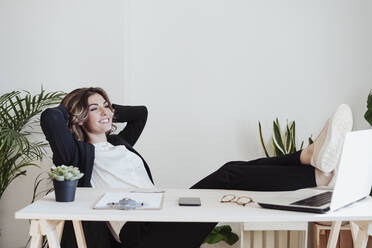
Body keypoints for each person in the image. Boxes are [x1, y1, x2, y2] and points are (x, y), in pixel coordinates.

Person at [40, 87, 353, 248]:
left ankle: (309, 157)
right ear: (80, 117)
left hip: (164, 212)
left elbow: (140, 114)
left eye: (108, 106)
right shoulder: (78, 155)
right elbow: (50, 119)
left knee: (232, 171)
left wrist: (105, 107)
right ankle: (316, 172)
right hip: (140, 234)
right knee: (228, 176)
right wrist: (81, 107)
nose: (107, 112)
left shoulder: (120, 143)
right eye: (95, 109)